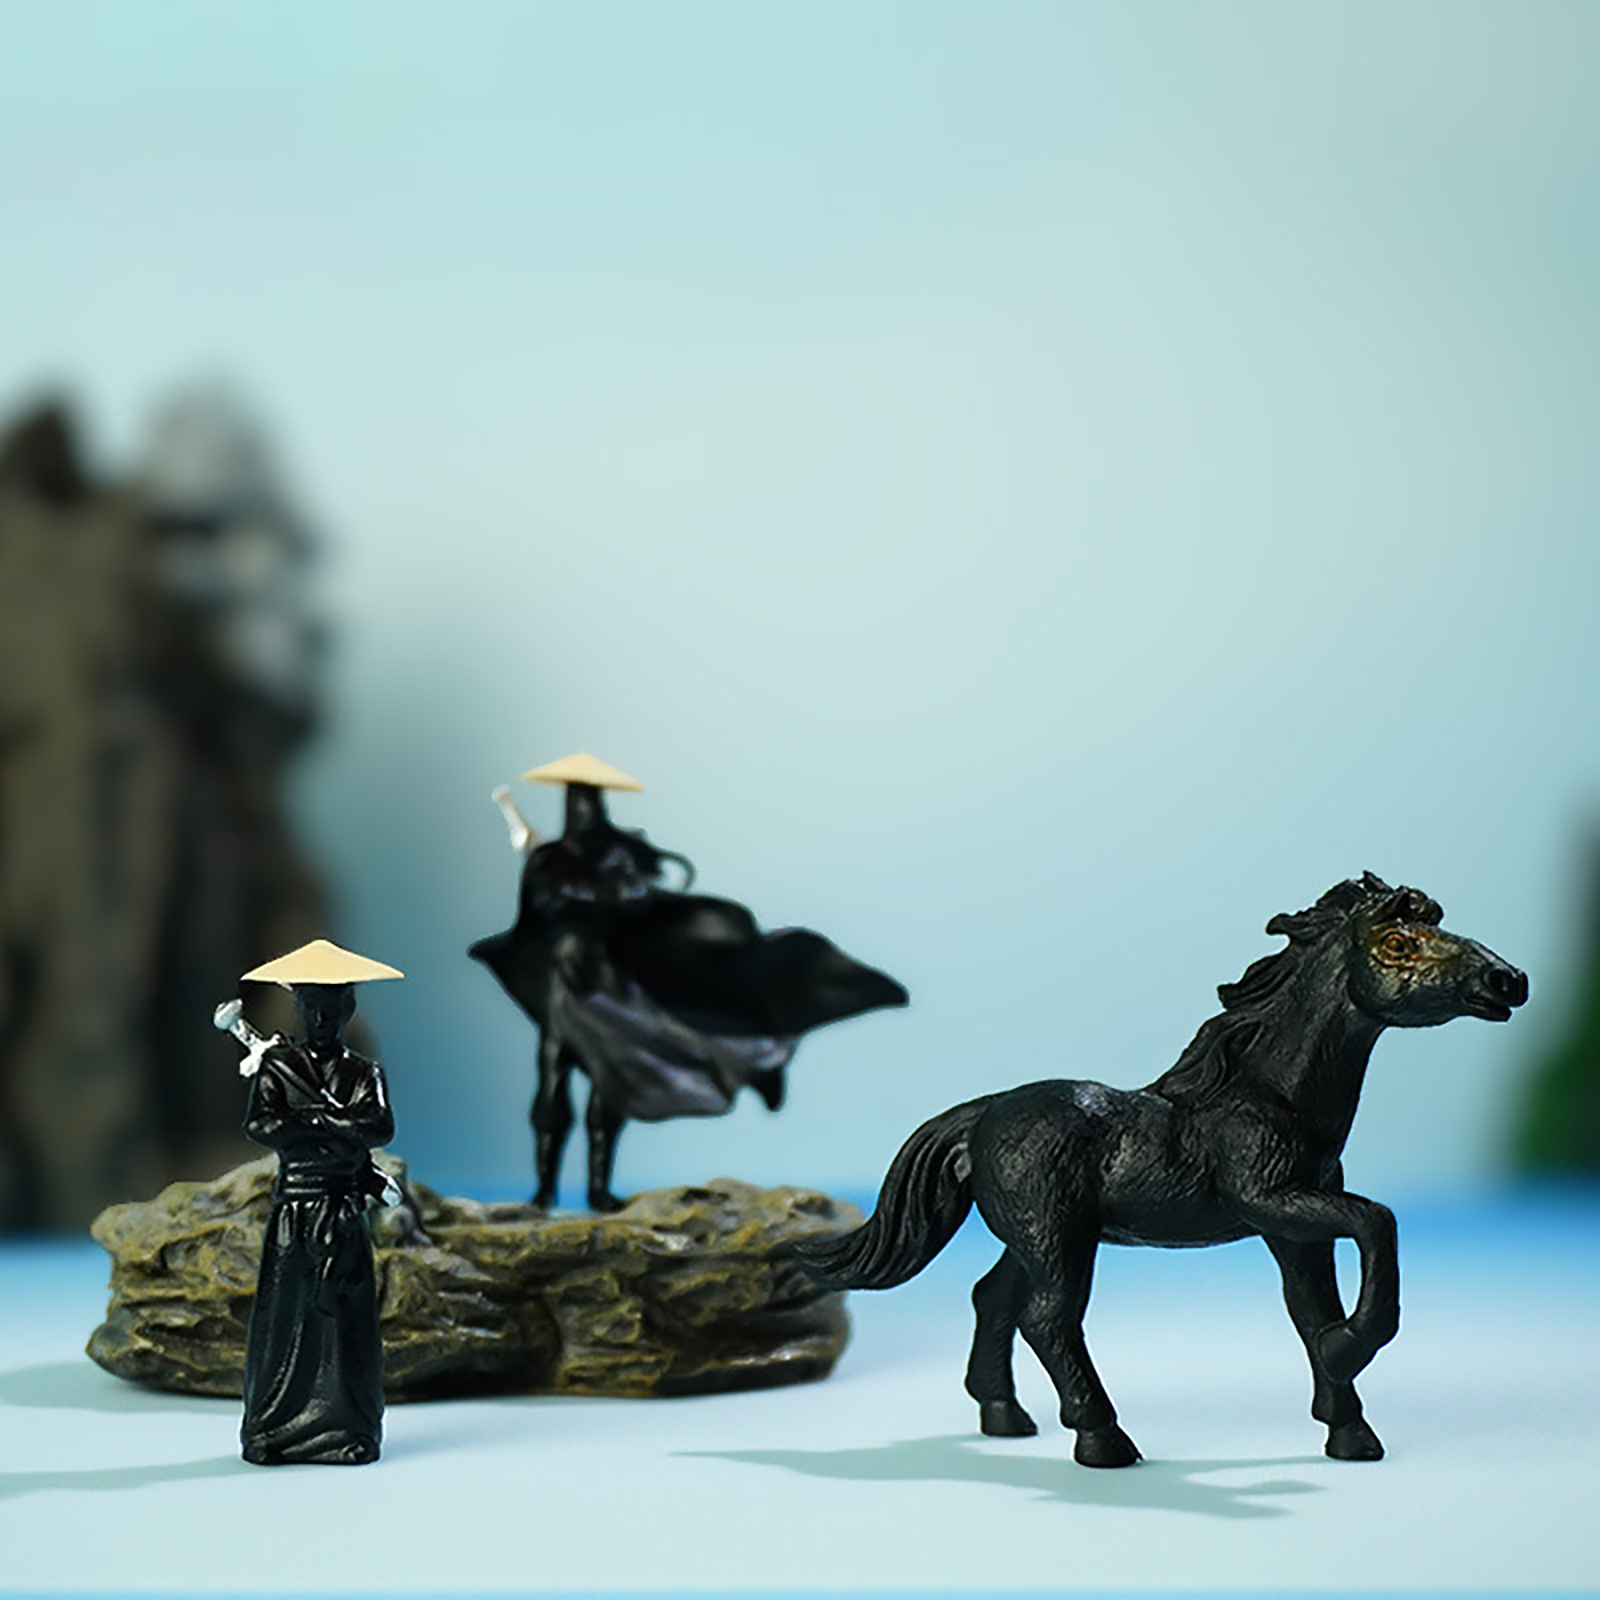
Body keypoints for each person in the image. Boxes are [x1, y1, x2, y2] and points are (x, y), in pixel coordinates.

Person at [470, 752, 908, 1211]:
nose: (582, 808)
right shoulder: (550, 859)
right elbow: (536, 914)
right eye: (575, 798)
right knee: (553, 1078)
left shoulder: (619, 853)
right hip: (565, 983)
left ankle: (598, 1189)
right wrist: (558, 883)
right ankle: (544, 1191)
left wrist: (599, 892)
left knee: (611, 1082)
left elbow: (636, 898)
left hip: (608, 982)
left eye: (588, 798)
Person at [231, 938, 402, 1465]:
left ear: (348, 1010)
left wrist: (314, 1122)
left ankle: (350, 1429)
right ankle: (273, 1428)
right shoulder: (276, 1068)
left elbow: (378, 1126)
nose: (322, 1020)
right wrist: (330, 1125)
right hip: (295, 1210)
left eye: (331, 1009)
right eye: (313, 1009)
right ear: (300, 1011)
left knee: (344, 1324)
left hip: (343, 1209)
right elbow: (263, 1126)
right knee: (287, 1318)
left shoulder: (364, 1072)